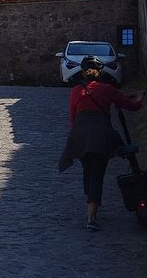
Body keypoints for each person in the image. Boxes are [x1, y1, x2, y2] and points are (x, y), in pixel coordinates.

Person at [57, 56, 142, 231]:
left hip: (79, 137)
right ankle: (91, 216)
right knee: (97, 173)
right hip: (100, 137)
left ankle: (91, 205)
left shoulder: (75, 91)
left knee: (88, 171)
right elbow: (131, 106)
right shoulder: (107, 89)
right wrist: (140, 97)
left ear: (83, 72)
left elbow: (73, 118)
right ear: (100, 72)